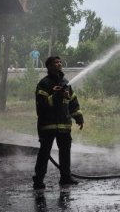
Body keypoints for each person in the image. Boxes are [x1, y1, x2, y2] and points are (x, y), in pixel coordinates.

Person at [32, 56, 84, 189]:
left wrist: (78, 116)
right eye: (56, 62)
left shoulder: (66, 83)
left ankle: (65, 178)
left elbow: (72, 101)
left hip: (64, 125)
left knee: (65, 152)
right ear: (49, 66)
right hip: (47, 126)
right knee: (44, 153)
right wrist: (55, 96)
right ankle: (38, 180)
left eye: (60, 62)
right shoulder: (44, 84)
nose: (59, 64)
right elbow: (41, 105)